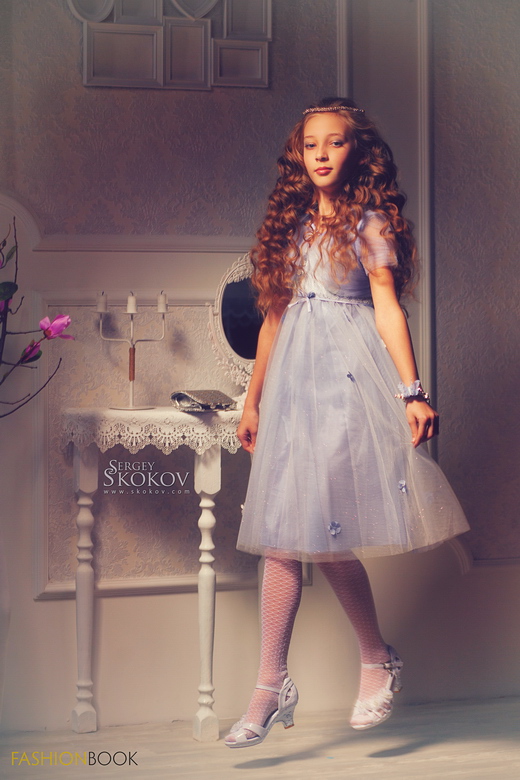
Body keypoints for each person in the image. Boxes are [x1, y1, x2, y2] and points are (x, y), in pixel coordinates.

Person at [224, 97, 469, 748]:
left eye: (334, 142)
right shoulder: (293, 225)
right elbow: (274, 319)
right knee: (290, 533)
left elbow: (387, 309)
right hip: (293, 393)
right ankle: (291, 678)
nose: (322, 154)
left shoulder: (369, 222)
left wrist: (412, 392)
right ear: (298, 156)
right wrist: (253, 400)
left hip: (347, 389)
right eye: (311, 145)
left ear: (357, 152)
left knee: (312, 532)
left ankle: (347, 666)